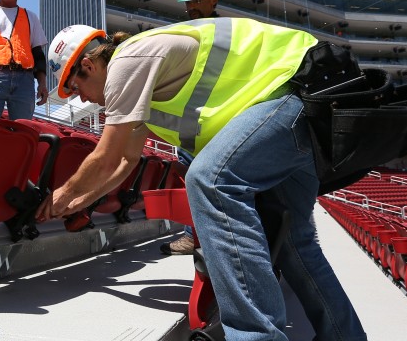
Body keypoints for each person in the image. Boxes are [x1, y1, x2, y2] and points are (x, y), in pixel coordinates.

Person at [36, 18, 367, 340]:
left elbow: (105, 156)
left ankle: (256, 336)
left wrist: (57, 198)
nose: (80, 99)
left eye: (75, 87)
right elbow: (125, 160)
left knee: (210, 181)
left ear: (89, 66)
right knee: (296, 242)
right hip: (305, 107)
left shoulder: (127, 62)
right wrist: (81, 201)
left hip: (294, 92)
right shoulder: (139, 77)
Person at [161, 0, 227, 255]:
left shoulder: (226, 32)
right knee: (190, 180)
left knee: (214, 183)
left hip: (220, 116)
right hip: (192, 119)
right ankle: (193, 235)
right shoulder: (186, 32)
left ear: (214, 0)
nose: (192, 6)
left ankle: (215, 239)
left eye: (198, 0)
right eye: (189, 2)